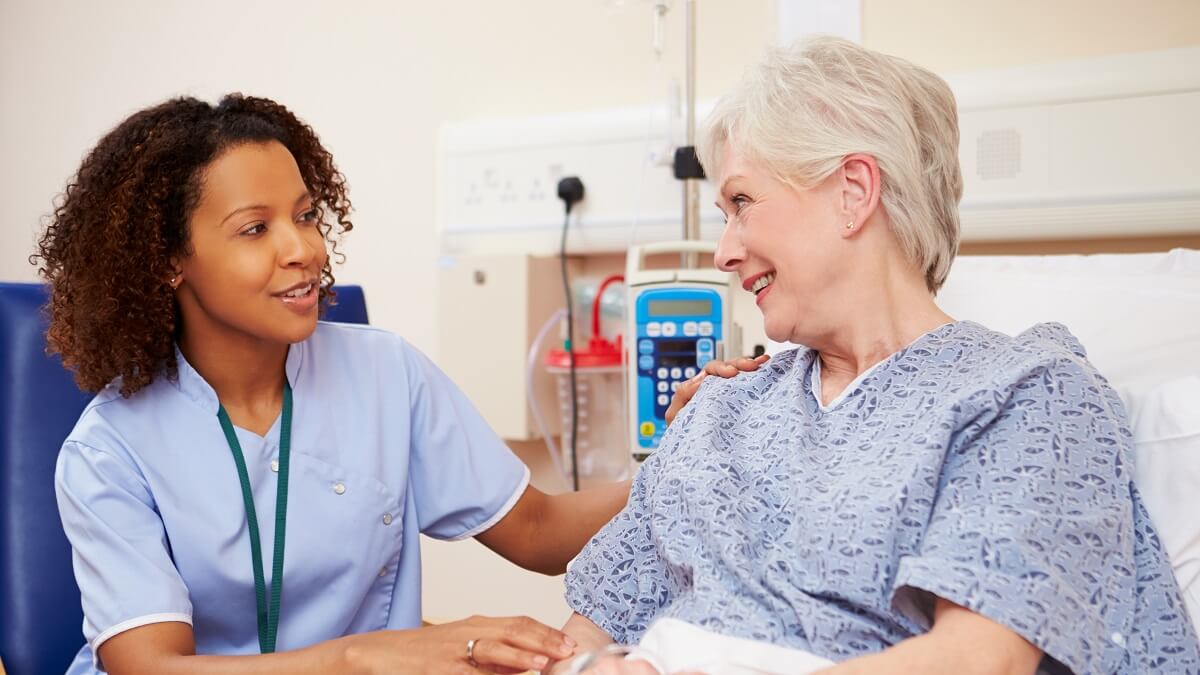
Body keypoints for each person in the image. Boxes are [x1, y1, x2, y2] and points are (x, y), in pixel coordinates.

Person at [552, 37, 1200, 674]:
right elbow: (582, 633)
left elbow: (980, 660)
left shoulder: (1027, 395)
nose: (723, 251)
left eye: (741, 203)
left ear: (854, 191)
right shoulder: (725, 405)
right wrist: (590, 667)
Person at [34, 94, 634, 675]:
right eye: (254, 229)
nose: (303, 249)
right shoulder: (109, 450)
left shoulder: (386, 373)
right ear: (169, 260)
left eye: (304, 216)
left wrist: (682, 455)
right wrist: (362, 659)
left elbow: (539, 531)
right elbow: (151, 668)